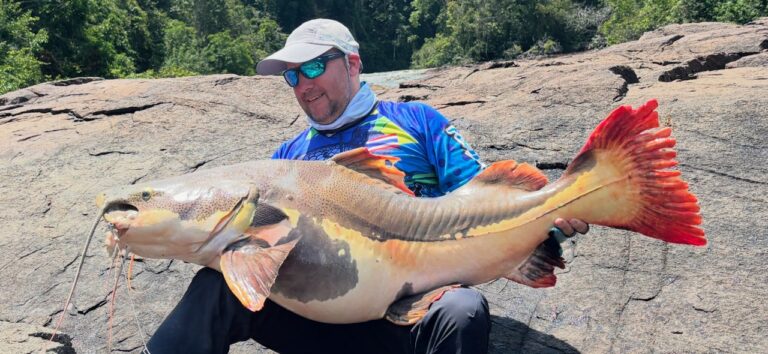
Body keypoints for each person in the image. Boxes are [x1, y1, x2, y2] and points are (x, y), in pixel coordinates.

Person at [145, 18, 588, 354]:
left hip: (408, 315)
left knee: (462, 311)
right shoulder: (286, 158)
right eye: (292, 75)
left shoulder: (418, 123)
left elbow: (486, 200)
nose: (303, 85)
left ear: (353, 63)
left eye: (313, 66)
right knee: (214, 286)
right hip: (313, 319)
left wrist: (547, 225)